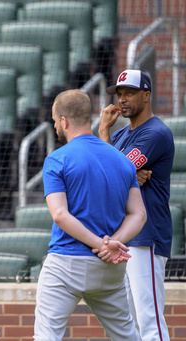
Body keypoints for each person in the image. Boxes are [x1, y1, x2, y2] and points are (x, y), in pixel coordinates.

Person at [34, 89, 147, 341]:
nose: (55, 126)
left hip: (66, 264)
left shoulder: (56, 159)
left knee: (46, 336)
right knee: (128, 336)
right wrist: (112, 244)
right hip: (111, 269)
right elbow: (139, 214)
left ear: (64, 121)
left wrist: (101, 244)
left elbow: (60, 215)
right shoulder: (123, 161)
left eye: (54, 121)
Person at [99, 69, 174, 341]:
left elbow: (112, 172)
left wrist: (122, 174)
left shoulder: (155, 132)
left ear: (147, 95)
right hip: (125, 237)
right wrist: (105, 130)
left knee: (148, 319)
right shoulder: (118, 136)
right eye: (119, 94)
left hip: (147, 235)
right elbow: (100, 173)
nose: (122, 99)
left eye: (129, 92)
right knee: (128, 323)